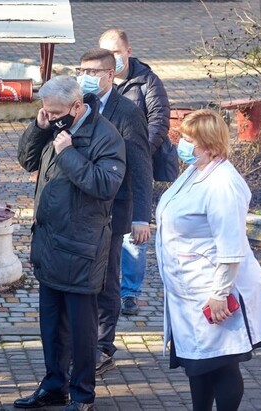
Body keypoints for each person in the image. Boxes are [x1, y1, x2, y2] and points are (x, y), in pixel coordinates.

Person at [14, 76, 125, 411]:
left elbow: (105, 185)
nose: (51, 117)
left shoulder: (106, 136)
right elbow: (27, 160)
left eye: (55, 112)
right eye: (46, 111)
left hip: (82, 249)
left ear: (77, 106)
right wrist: (38, 128)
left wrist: (67, 153)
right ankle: (54, 386)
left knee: (81, 331)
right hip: (50, 245)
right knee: (51, 327)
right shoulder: (52, 126)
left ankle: (82, 394)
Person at [156, 109, 261, 411]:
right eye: (182, 137)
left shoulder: (223, 183)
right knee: (198, 363)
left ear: (209, 145)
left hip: (212, 288)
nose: (182, 144)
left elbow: (230, 246)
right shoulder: (195, 170)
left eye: (189, 140)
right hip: (188, 287)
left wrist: (220, 293)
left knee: (221, 363)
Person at [75, 48, 152, 376]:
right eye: (82, 70)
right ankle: (83, 341)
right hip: (81, 208)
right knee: (83, 278)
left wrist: (141, 216)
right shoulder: (78, 104)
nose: (86, 77)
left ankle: (104, 346)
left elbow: (141, 165)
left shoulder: (127, 111)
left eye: (93, 72)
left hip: (114, 209)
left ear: (110, 74)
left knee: (106, 279)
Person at [99, 28, 173, 316]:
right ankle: (105, 285)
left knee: (133, 234)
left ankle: (130, 292)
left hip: (134, 169)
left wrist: (137, 152)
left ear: (128, 52)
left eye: (116, 52)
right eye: (107, 53)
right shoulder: (97, 83)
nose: (112, 58)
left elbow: (159, 120)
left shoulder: (147, 82)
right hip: (103, 169)